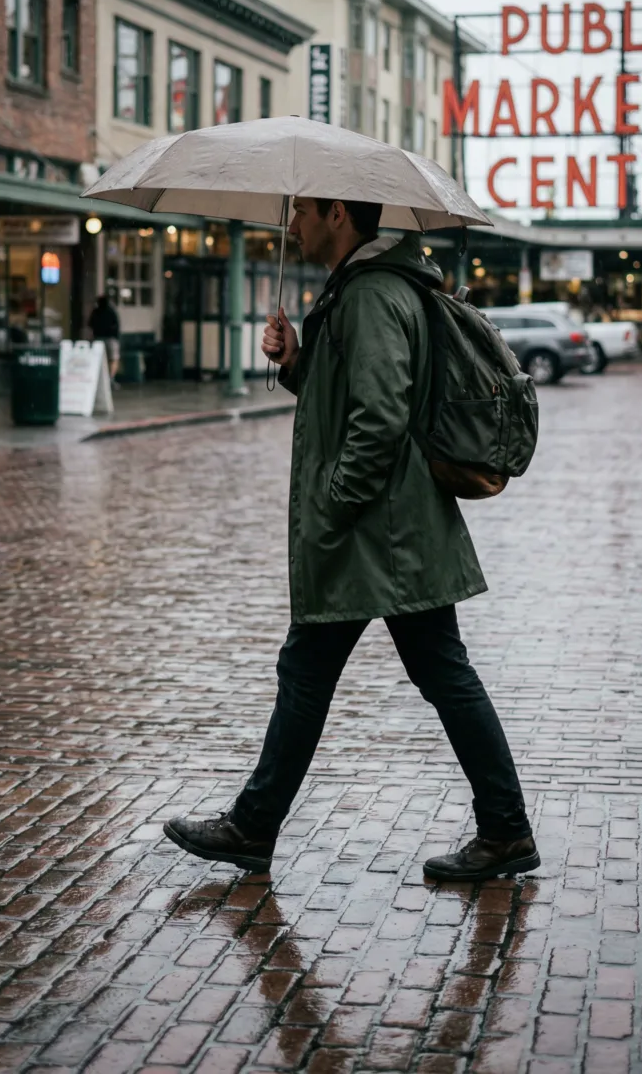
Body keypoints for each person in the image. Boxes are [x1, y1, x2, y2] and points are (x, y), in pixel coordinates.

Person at [165, 198, 538, 881]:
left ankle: (256, 826)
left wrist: (334, 507)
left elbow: (379, 417)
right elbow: (352, 392)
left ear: (338, 213)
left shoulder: (370, 295)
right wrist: (299, 361)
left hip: (378, 535)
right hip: (392, 533)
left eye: (301, 212)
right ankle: (502, 828)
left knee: (355, 674)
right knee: (394, 673)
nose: (292, 226)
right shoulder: (373, 289)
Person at [88, 294, 120, 382]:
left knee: (98, 359)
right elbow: (116, 325)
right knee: (113, 359)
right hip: (111, 339)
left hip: (98, 338)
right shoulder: (111, 311)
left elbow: (90, 325)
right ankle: (111, 378)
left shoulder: (96, 312)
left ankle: (100, 379)